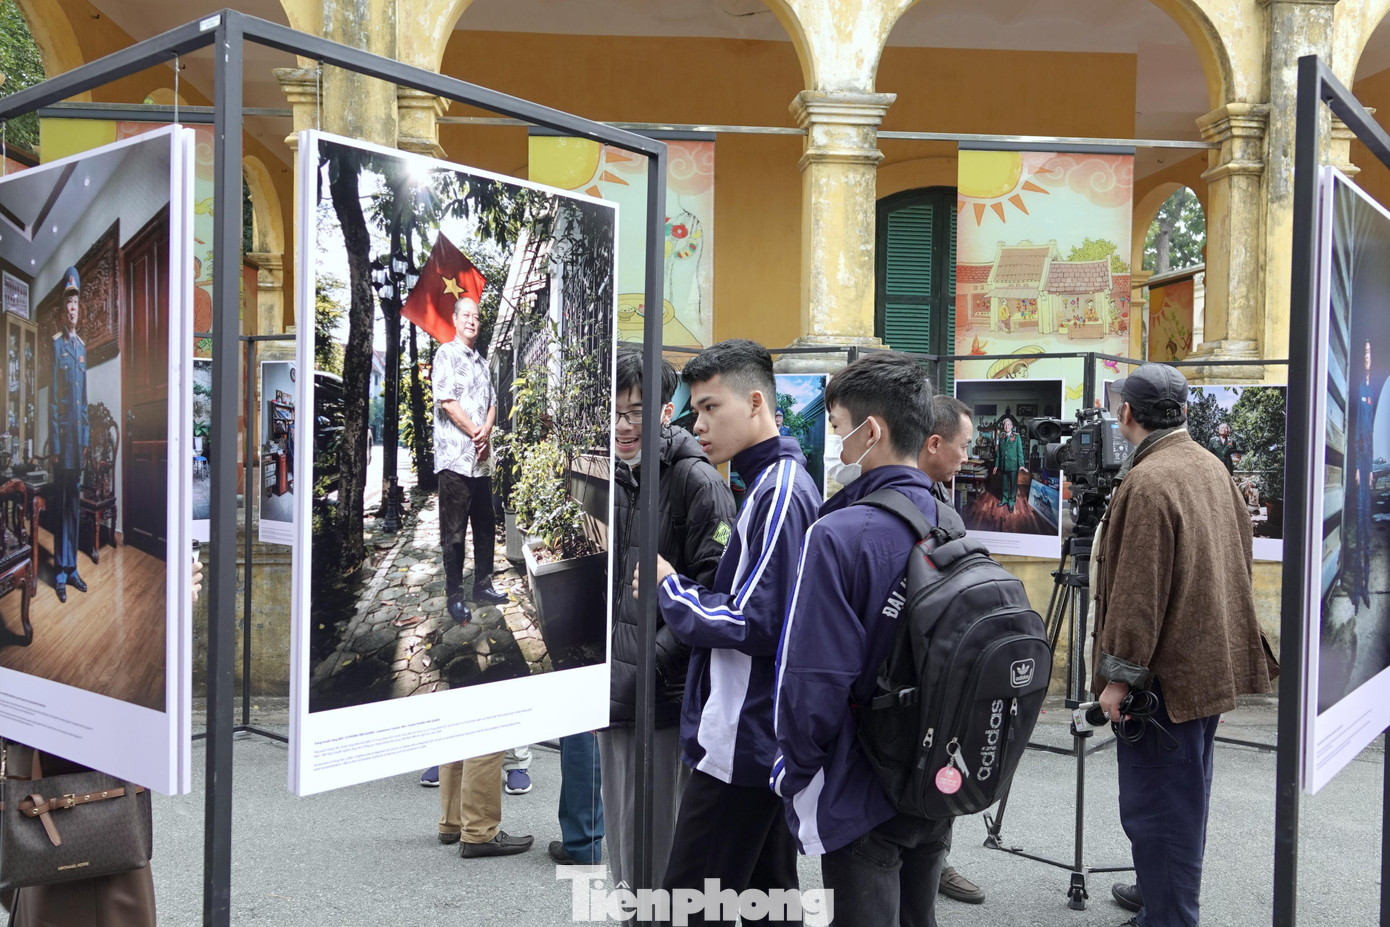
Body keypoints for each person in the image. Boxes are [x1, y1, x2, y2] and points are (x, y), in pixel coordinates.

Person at [635, 339, 820, 922]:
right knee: (769, 900)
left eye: (711, 407)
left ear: (757, 402)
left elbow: (751, 619)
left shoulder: (779, 491)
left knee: (686, 903)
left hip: (744, 742)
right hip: (754, 736)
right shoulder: (765, 484)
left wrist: (669, 587)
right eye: (695, 410)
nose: (699, 422)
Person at [1094, 364, 1277, 927]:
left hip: (1164, 685)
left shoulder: (1149, 482)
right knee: (1184, 798)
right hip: (1205, 667)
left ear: (1126, 414)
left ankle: (1170, 915)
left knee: (1158, 810)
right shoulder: (1209, 466)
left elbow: (1137, 594)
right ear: (1187, 413)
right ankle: (1161, 893)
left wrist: (1119, 678)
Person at [773, 353, 947, 927]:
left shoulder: (839, 534)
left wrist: (795, 773)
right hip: (935, 782)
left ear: (873, 431)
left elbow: (811, 682)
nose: (840, 447)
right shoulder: (951, 522)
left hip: (860, 789)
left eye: (841, 429)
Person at [599, 346, 735, 885]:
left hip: (663, 697)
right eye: (612, 411)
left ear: (663, 410)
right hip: (610, 689)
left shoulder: (696, 483)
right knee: (623, 842)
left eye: (635, 411)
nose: (622, 425)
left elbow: (716, 594)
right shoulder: (604, 476)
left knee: (659, 847)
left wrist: (651, 663)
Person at [915, 394, 986, 907]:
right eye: (963, 446)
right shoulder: (920, 508)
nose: (967, 456)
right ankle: (929, 863)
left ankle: (936, 860)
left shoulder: (942, 495)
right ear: (934, 443)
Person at [432, 295, 508, 622]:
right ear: (455, 320)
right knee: (454, 534)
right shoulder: (445, 354)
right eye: (466, 315)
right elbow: (447, 402)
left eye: (476, 316)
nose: (472, 321)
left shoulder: (481, 361)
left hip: (481, 462)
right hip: (455, 461)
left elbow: (492, 403)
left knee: (486, 526)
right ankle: (454, 595)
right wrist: (477, 433)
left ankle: (483, 585)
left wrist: (486, 431)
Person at [50, 265, 89, 604]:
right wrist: (56, 446)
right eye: (68, 303)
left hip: (79, 443)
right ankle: (60, 572)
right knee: (62, 504)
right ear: (63, 312)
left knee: (75, 504)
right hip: (64, 444)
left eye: (76, 302)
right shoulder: (57, 347)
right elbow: (52, 401)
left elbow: (85, 400)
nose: (72, 308)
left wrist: (87, 440)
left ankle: (73, 567)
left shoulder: (82, 349)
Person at [1348, 340, 1375, 610]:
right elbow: (1357, 431)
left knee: (1367, 525)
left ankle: (1366, 587)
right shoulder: (1358, 389)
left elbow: (1372, 433)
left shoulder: (1370, 389)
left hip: (1369, 465)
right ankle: (1356, 590)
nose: (1368, 357)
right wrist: (1357, 466)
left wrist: (1370, 471)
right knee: (1357, 524)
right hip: (1359, 463)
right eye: (1364, 352)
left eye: (1371, 353)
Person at [994, 414, 1027, 511]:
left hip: (1013, 465)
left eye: (1009, 424)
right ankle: (1004, 499)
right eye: (1005, 425)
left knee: (1013, 485)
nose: (1006, 426)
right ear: (1003, 426)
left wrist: (1021, 465)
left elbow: (1020, 452)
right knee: (1004, 484)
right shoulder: (1001, 437)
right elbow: (998, 454)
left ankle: (1011, 502)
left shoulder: (1016, 437)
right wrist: (996, 466)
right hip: (1003, 465)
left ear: (1012, 426)